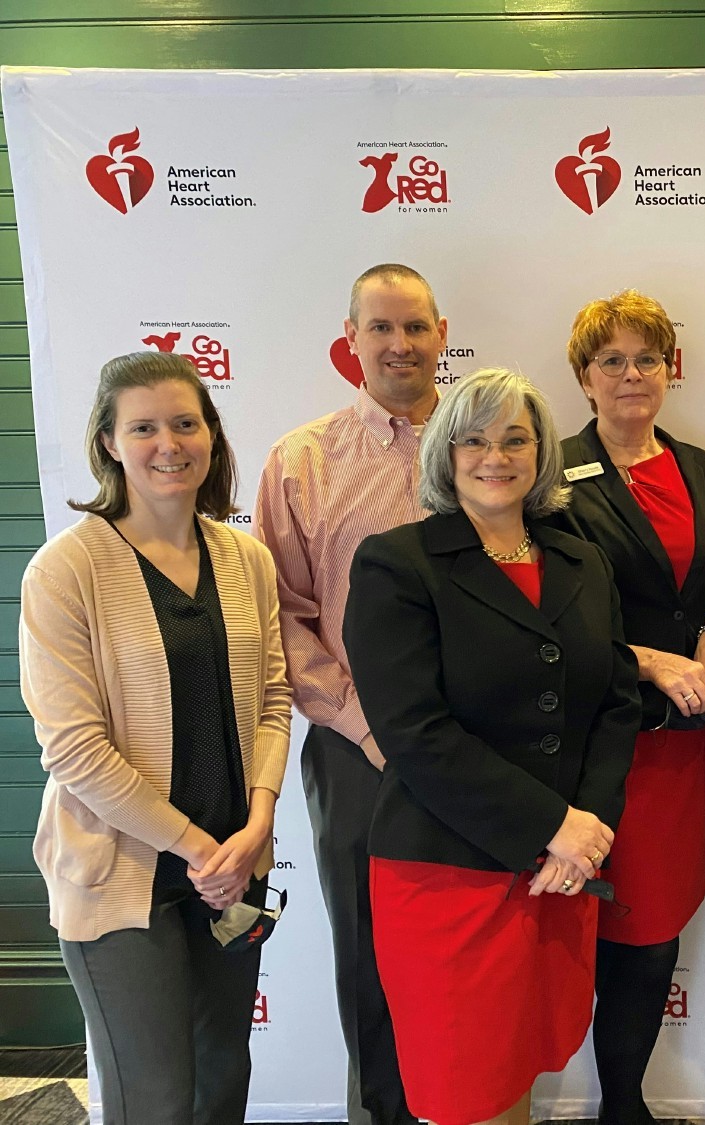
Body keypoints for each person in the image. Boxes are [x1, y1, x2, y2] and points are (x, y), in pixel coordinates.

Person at [343, 368, 640, 1125]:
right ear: (445, 454)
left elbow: (615, 700)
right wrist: (552, 825)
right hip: (448, 874)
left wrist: (587, 833)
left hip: (561, 871)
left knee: (521, 1075)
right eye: (473, 439)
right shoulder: (397, 563)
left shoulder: (582, 559)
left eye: (515, 438)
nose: (495, 455)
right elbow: (415, 733)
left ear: (541, 453)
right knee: (465, 1092)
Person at [21, 351, 290, 1124]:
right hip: (120, 872)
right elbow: (73, 750)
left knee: (221, 1079)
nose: (168, 443)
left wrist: (258, 824)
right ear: (109, 442)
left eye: (185, 422)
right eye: (143, 427)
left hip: (237, 866)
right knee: (156, 1098)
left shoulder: (247, 559)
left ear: (211, 433)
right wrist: (197, 847)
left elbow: (274, 697)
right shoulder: (65, 571)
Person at [254, 262, 444, 1125]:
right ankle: (381, 1114)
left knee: (466, 949)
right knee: (370, 955)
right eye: (382, 327)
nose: (400, 344)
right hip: (357, 748)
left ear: (442, 333)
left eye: (415, 326)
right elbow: (284, 618)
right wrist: (368, 726)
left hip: (481, 744)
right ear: (352, 338)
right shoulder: (302, 461)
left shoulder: (485, 446)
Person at [545, 291, 705, 1125]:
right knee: (577, 930)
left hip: (680, 750)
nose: (631, 374)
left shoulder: (698, 467)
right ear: (584, 377)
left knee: (653, 936)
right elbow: (540, 618)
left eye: (647, 358)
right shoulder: (546, 471)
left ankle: (624, 1104)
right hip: (588, 745)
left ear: (669, 369)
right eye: (611, 360)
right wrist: (645, 659)